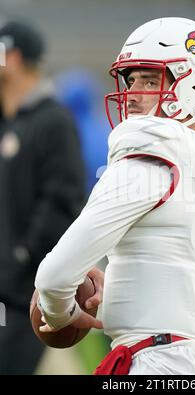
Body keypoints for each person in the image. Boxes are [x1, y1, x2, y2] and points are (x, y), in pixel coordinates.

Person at [35, 17, 195, 375]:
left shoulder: (152, 151)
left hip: (157, 363)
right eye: (131, 79)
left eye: (151, 80)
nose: (133, 93)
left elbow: (54, 277)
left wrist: (62, 313)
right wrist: (118, 299)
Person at [0, 20, 85, 374]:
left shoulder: (54, 121)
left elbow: (63, 201)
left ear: (14, 57)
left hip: (24, 296)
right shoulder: (8, 121)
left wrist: (21, 258)